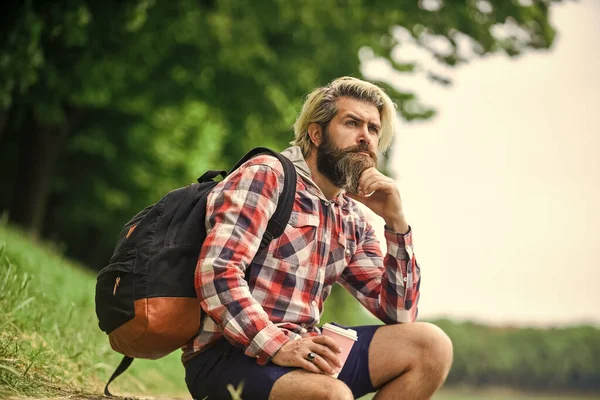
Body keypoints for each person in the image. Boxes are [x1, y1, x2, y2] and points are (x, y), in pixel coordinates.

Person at [183, 77, 453, 400]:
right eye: (352, 123)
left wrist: (395, 223)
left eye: (373, 129)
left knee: (431, 347)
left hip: (303, 351)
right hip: (227, 356)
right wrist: (279, 345)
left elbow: (400, 315)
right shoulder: (268, 175)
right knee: (332, 396)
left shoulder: (351, 217)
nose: (365, 137)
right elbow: (217, 273)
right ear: (316, 133)